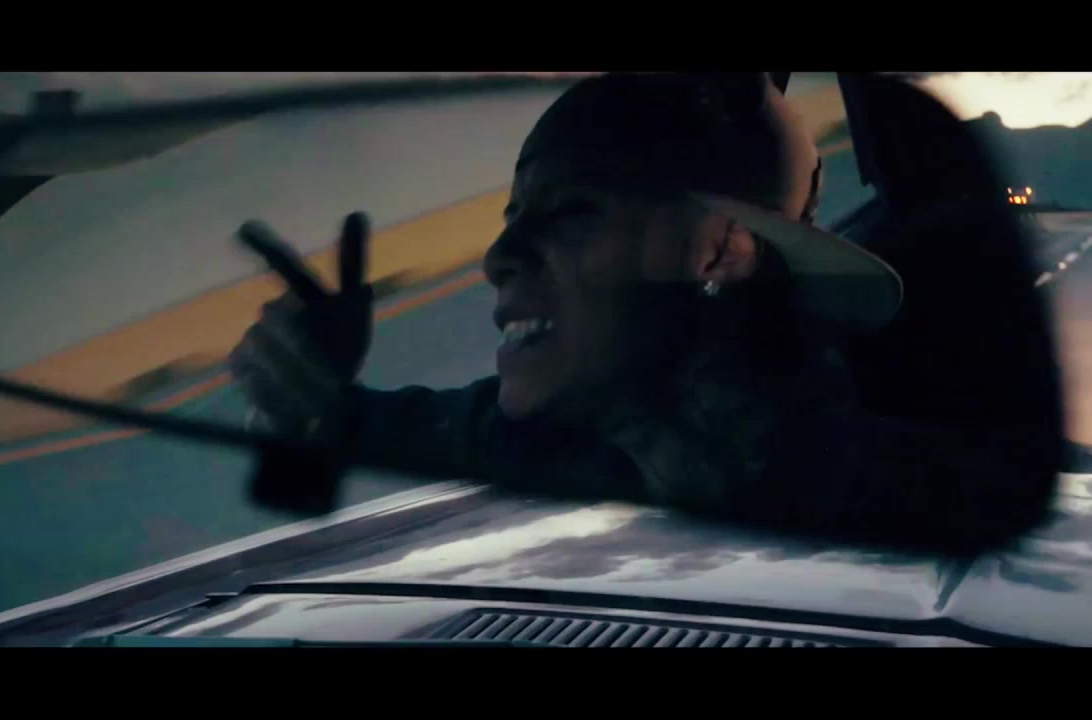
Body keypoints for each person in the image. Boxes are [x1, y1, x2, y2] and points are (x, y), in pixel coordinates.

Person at [230, 72, 1060, 555]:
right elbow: (399, 427)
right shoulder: (569, 432)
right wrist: (317, 399)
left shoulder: (916, 500)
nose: (498, 258)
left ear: (718, 252)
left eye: (570, 213)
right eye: (512, 218)